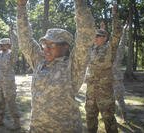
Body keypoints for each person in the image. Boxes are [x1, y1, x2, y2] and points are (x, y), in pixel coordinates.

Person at [17, 0, 96, 132]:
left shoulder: (73, 65)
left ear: (65, 46)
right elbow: (25, 40)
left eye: (52, 45)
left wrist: (80, 3)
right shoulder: (39, 60)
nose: (46, 49)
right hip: (37, 128)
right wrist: (21, 7)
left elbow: (85, 35)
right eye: (44, 44)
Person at [85, 3, 122, 133]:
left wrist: (115, 14)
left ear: (105, 38)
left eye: (98, 36)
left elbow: (117, 32)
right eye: (94, 36)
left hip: (104, 92)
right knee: (90, 118)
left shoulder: (110, 48)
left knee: (109, 120)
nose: (95, 38)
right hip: (90, 92)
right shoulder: (92, 48)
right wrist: (101, 28)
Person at [0, 22, 20, 130]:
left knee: (11, 103)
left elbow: (16, 46)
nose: (1, 46)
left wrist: (12, 32)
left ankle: (16, 123)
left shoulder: (12, 54)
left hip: (8, 83)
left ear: (9, 45)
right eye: (1, 44)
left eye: (4, 44)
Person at [113, 23, 128, 123]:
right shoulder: (106, 53)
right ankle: (111, 117)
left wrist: (124, 31)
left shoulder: (118, 54)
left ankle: (125, 117)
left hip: (117, 82)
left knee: (120, 100)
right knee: (110, 102)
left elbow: (122, 44)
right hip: (108, 82)